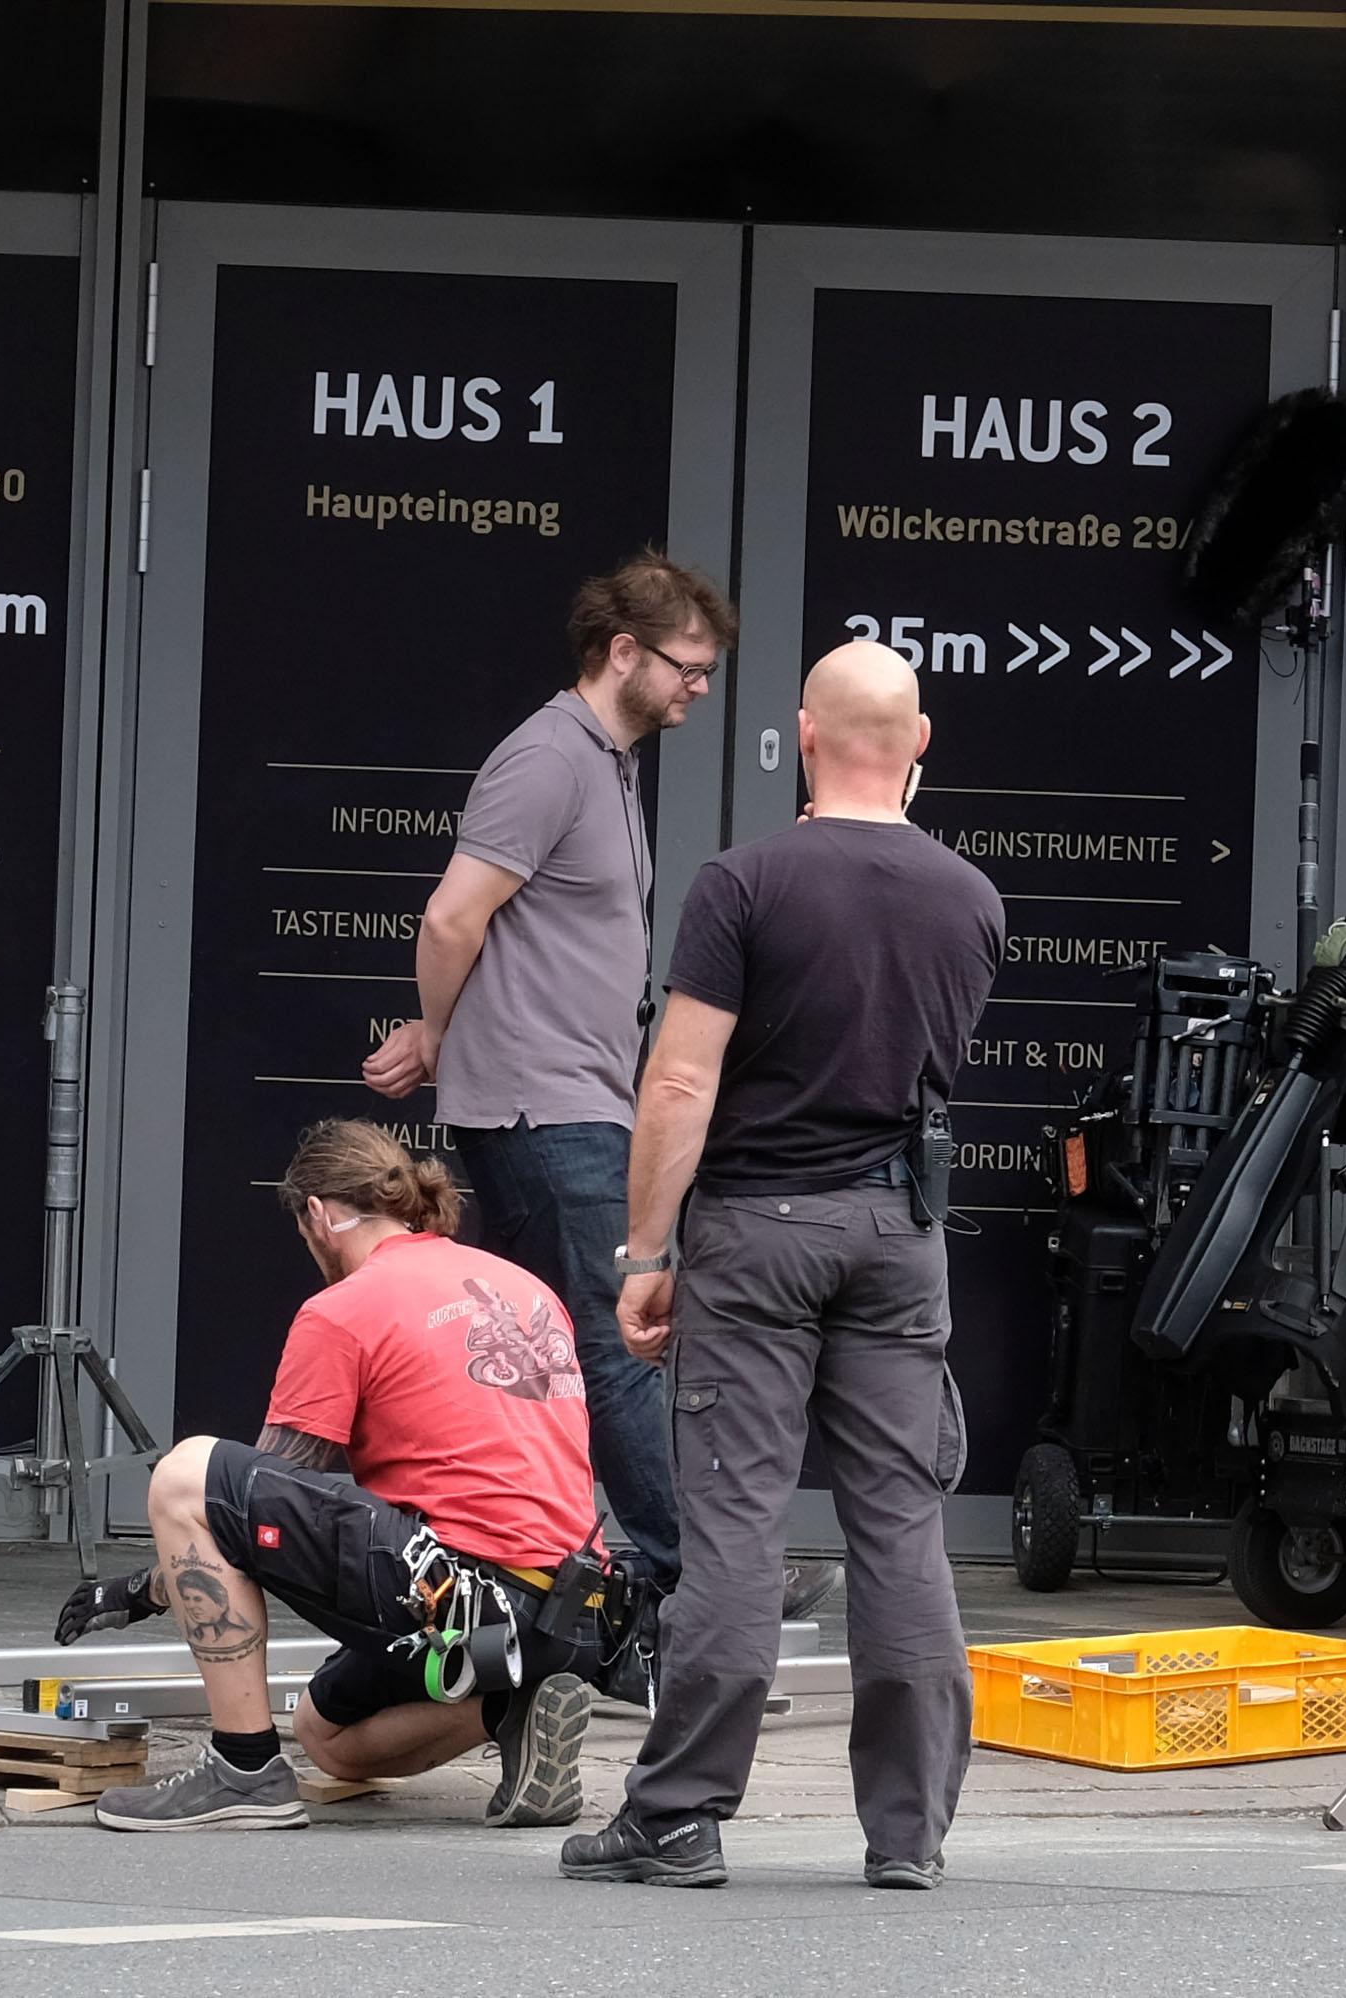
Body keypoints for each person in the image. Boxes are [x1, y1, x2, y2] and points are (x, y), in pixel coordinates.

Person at [561, 639, 1003, 1892]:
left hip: (757, 1231)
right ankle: (909, 1835)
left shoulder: (743, 882)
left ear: (804, 734)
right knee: (902, 1529)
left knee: (738, 1527)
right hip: (899, 1240)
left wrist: (647, 1252)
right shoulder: (971, 899)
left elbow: (683, 1079)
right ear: (919, 743)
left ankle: (680, 1816)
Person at [362, 552, 834, 1626]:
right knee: (612, 1344)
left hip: (567, 1098)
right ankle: (697, 1581)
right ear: (621, 652)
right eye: (688, 667)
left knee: (564, 1350)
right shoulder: (547, 759)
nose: (700, 689)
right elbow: (450, 917)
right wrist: (442, 1033)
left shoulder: (604, 760)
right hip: (544, 1106)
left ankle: (591, 1571)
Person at [60, 1121, 610, 1832]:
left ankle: (244, 1768)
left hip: (463, 1593)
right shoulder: (520, 1285)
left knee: (187, 1475)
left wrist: (140, 1589)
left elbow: (234, 1520)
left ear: (317, 1215)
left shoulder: (344, 1309)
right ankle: (513, 1707)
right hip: (572, 1614)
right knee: (329, 1736)